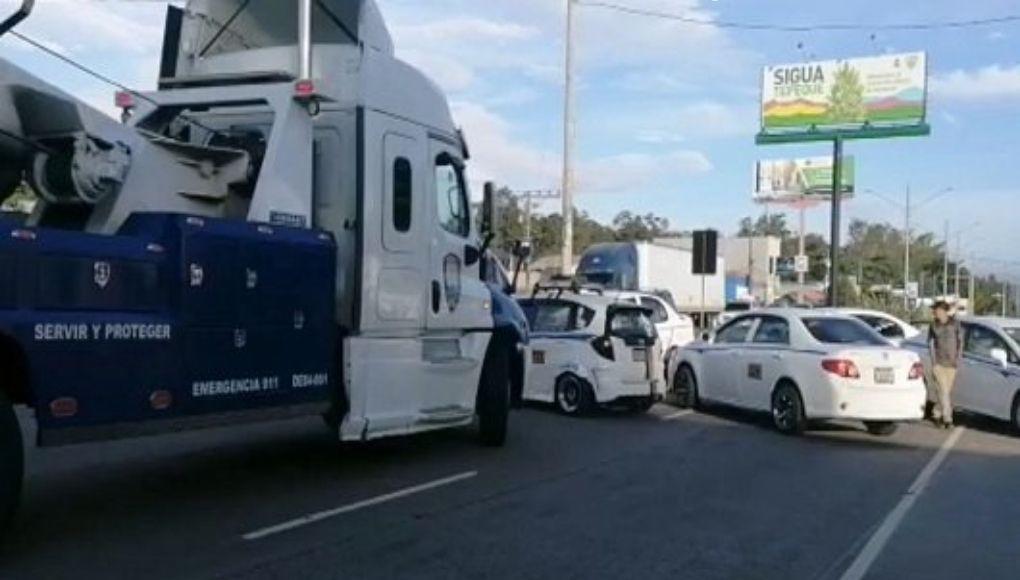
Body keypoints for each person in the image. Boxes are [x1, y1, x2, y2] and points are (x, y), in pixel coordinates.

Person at [927, 301, 964, 429]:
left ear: (943, 311)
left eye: (937, 310)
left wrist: (958, 358)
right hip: (939, 363)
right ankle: (948, 419)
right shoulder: (933, 326)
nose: (935, 313)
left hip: (951, 364)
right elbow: (930, 343)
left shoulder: (955, 324)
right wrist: (933, 362)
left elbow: (960, 341)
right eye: (934, 311)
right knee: (943, 390)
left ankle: (936, 413)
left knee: (945, 392)